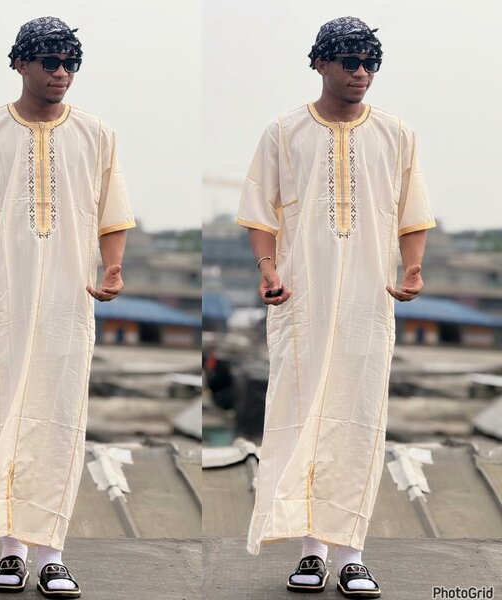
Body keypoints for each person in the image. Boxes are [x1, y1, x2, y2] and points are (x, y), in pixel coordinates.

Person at [0, 16, 135, 598]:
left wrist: (113, 267)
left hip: (69, 302)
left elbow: (113, 213)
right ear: (20, 63)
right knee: (1, 414)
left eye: (70, 62)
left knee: (59, 417)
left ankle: (52, 555)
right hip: (1, 299)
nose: (61, 72)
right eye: (50, 61)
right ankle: (11, 551)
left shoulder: (97, 133)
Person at [237, 16, 435, 599]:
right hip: (302, 299)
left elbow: (412, 213)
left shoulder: (396, 134)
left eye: (370, 62)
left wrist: (413, 267)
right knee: (301, 414)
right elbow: (259, 211)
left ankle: (351, 555)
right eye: (350, 61)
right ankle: (311, 551)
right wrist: (267, 267)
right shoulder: (284, 132)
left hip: (369, 302)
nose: (361, 73)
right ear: (320, 63)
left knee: (359, 417)